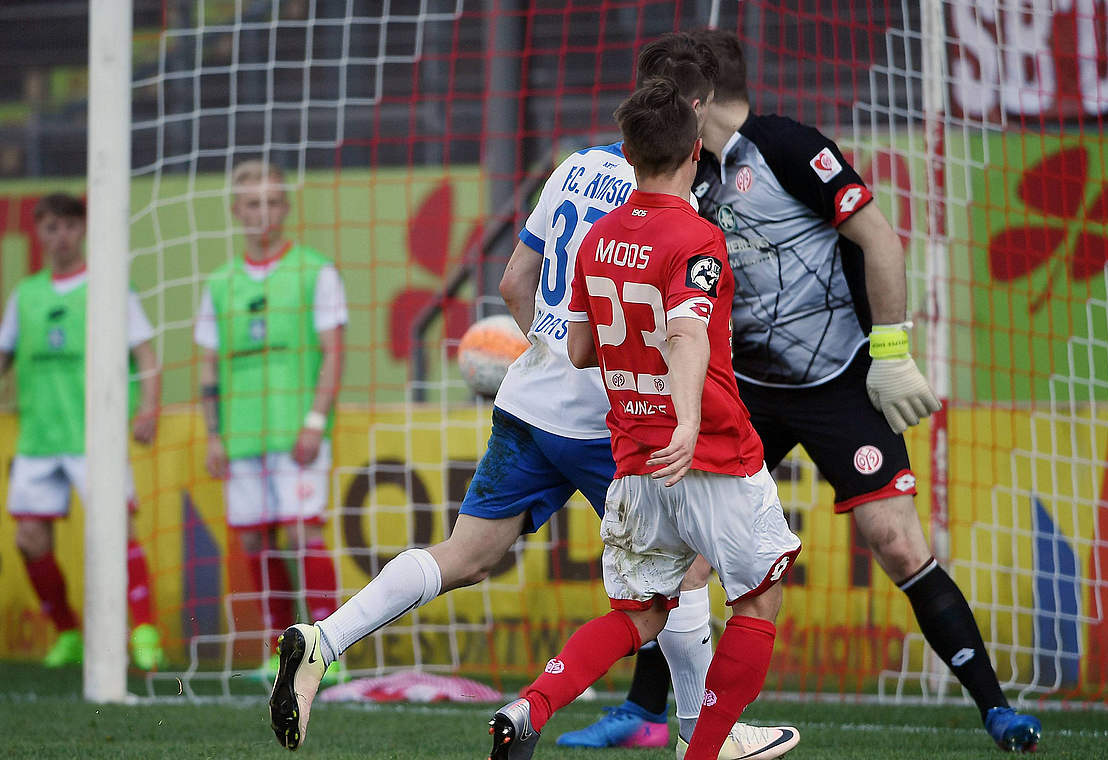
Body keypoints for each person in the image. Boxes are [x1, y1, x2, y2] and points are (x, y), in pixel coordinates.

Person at [267, 36, 797, 760]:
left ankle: (324, 640)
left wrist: (551, 348)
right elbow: (683, 332)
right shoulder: (686, 200)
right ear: (694, 116)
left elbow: (516, 282)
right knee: (682, 573)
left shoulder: (572, 169)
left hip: (526, 399)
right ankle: (704, 736)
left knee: (465, 555)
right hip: (615, 422)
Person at [626, 28, 1040, 752]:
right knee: (687, 554)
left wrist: (891, 349)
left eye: (663, 97)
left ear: (698, 98)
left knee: (897, 542)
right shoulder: (683, 173)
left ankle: (996, 708)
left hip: (838, 379)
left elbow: (878, 238)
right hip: (747, 387)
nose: (651, 112)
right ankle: (643, 714)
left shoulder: (787, 147)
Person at [488, 76, 801, 760]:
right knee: (758, 596)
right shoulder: (697, 238)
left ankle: (530, 703)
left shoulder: (597, 241)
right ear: (696, 150)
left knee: (641, 614)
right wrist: (687, 421)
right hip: (710, 450)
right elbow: (689, 333)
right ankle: (706, 750)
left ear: (626, 155)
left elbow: (575, 349)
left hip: (631, 455)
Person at [195, 160, 347, 682]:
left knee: (306, 532)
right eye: (252, 204)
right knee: (256, 540)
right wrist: (214, 434)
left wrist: (314, 420)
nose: (263, 213)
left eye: (272, 202)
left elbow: (333, 352)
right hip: (240, 435)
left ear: (285, 208)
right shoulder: (218, 284)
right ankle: (284, 649)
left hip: (296, 432)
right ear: (237, 211)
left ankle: (325, 648)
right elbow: (208, 365)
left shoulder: (315, 271)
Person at [1, 192, 165, 670]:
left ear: (83, 230)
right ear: (40, 233)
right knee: (29, 538)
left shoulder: (109, 286)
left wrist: (149, 407)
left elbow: (145, 355)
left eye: (69, 226)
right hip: (39, 436)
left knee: (118, 530)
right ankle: (69, 634)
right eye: (51, 228)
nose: (61, 236)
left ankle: (145, 632)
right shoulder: (25, 295)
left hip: (97, 434)